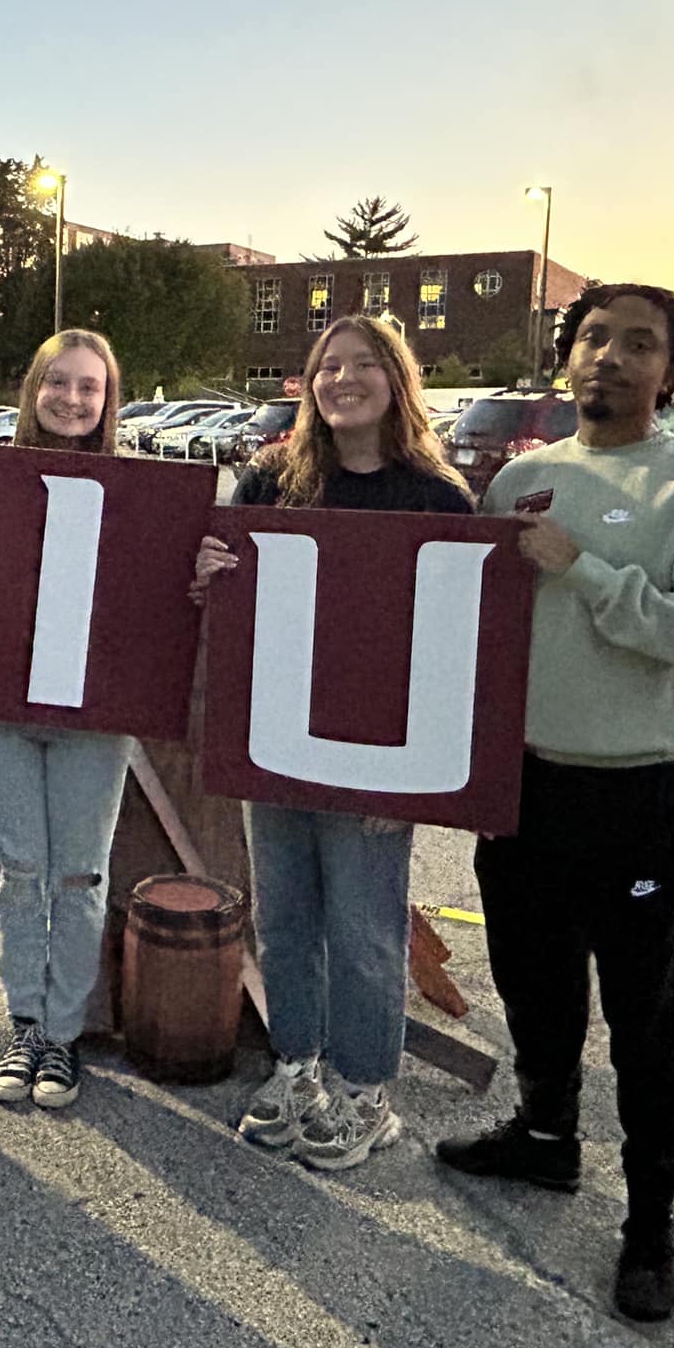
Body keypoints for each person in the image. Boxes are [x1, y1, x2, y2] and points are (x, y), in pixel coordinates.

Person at [433, 285, 674, 1323]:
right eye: (590, 339)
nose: (606, 358)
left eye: (637, 345)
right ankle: (542, 1136)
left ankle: (651, 1218)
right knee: (531, 979)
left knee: (647, 1013)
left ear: (671, 371)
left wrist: (583, 572)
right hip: (521, 780)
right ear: (564, 357)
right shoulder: (522, 478)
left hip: (636, 789)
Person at [192, 313, 472, 1171]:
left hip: (376, 756)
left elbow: (459, 649)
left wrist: (418, 782)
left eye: (362, 366)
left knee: (364, 929)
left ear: (397, 379)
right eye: (326, 366)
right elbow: (232, 618)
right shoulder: (271, 484)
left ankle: (365, 1089)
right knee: (283, 922)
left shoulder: (437, 497)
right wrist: (208, 579)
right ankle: (299, 1067)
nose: (342, 380)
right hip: (277, 741)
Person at [0, 330, 133, 1111]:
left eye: (88, 387)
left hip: (94, 708)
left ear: (108, 400)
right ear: (33, 388)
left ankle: (63, 1032)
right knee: (19, 871)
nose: (72, 399)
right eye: (57, 382)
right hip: (1, 700)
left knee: (78, 874)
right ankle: (25, 1022)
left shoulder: (136, 492)